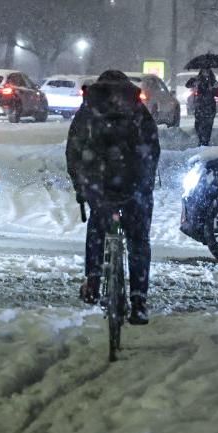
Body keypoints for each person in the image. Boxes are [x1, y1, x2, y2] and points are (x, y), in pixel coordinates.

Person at [66, 69, 160, 324]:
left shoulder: (90, 109)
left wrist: (81, 187)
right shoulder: (138, 109)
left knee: (98, 228)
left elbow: (74, 150)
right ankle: (139, 301)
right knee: (138, 240)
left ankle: (93, 282)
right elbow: (152, 147)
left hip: (101, 185)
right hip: (134, 185)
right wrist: (145, 183)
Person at [186, 67, 217, 146]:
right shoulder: (198, 80)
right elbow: (188, 85)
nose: (205, 73)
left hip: (210, 106)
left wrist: (212, 89)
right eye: (203, 71)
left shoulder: (212, 81)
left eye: (207, 71)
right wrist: (194, 80)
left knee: (208, 125)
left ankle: (205, 142)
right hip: (200, 106)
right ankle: (201, 140)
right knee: (198, 124)